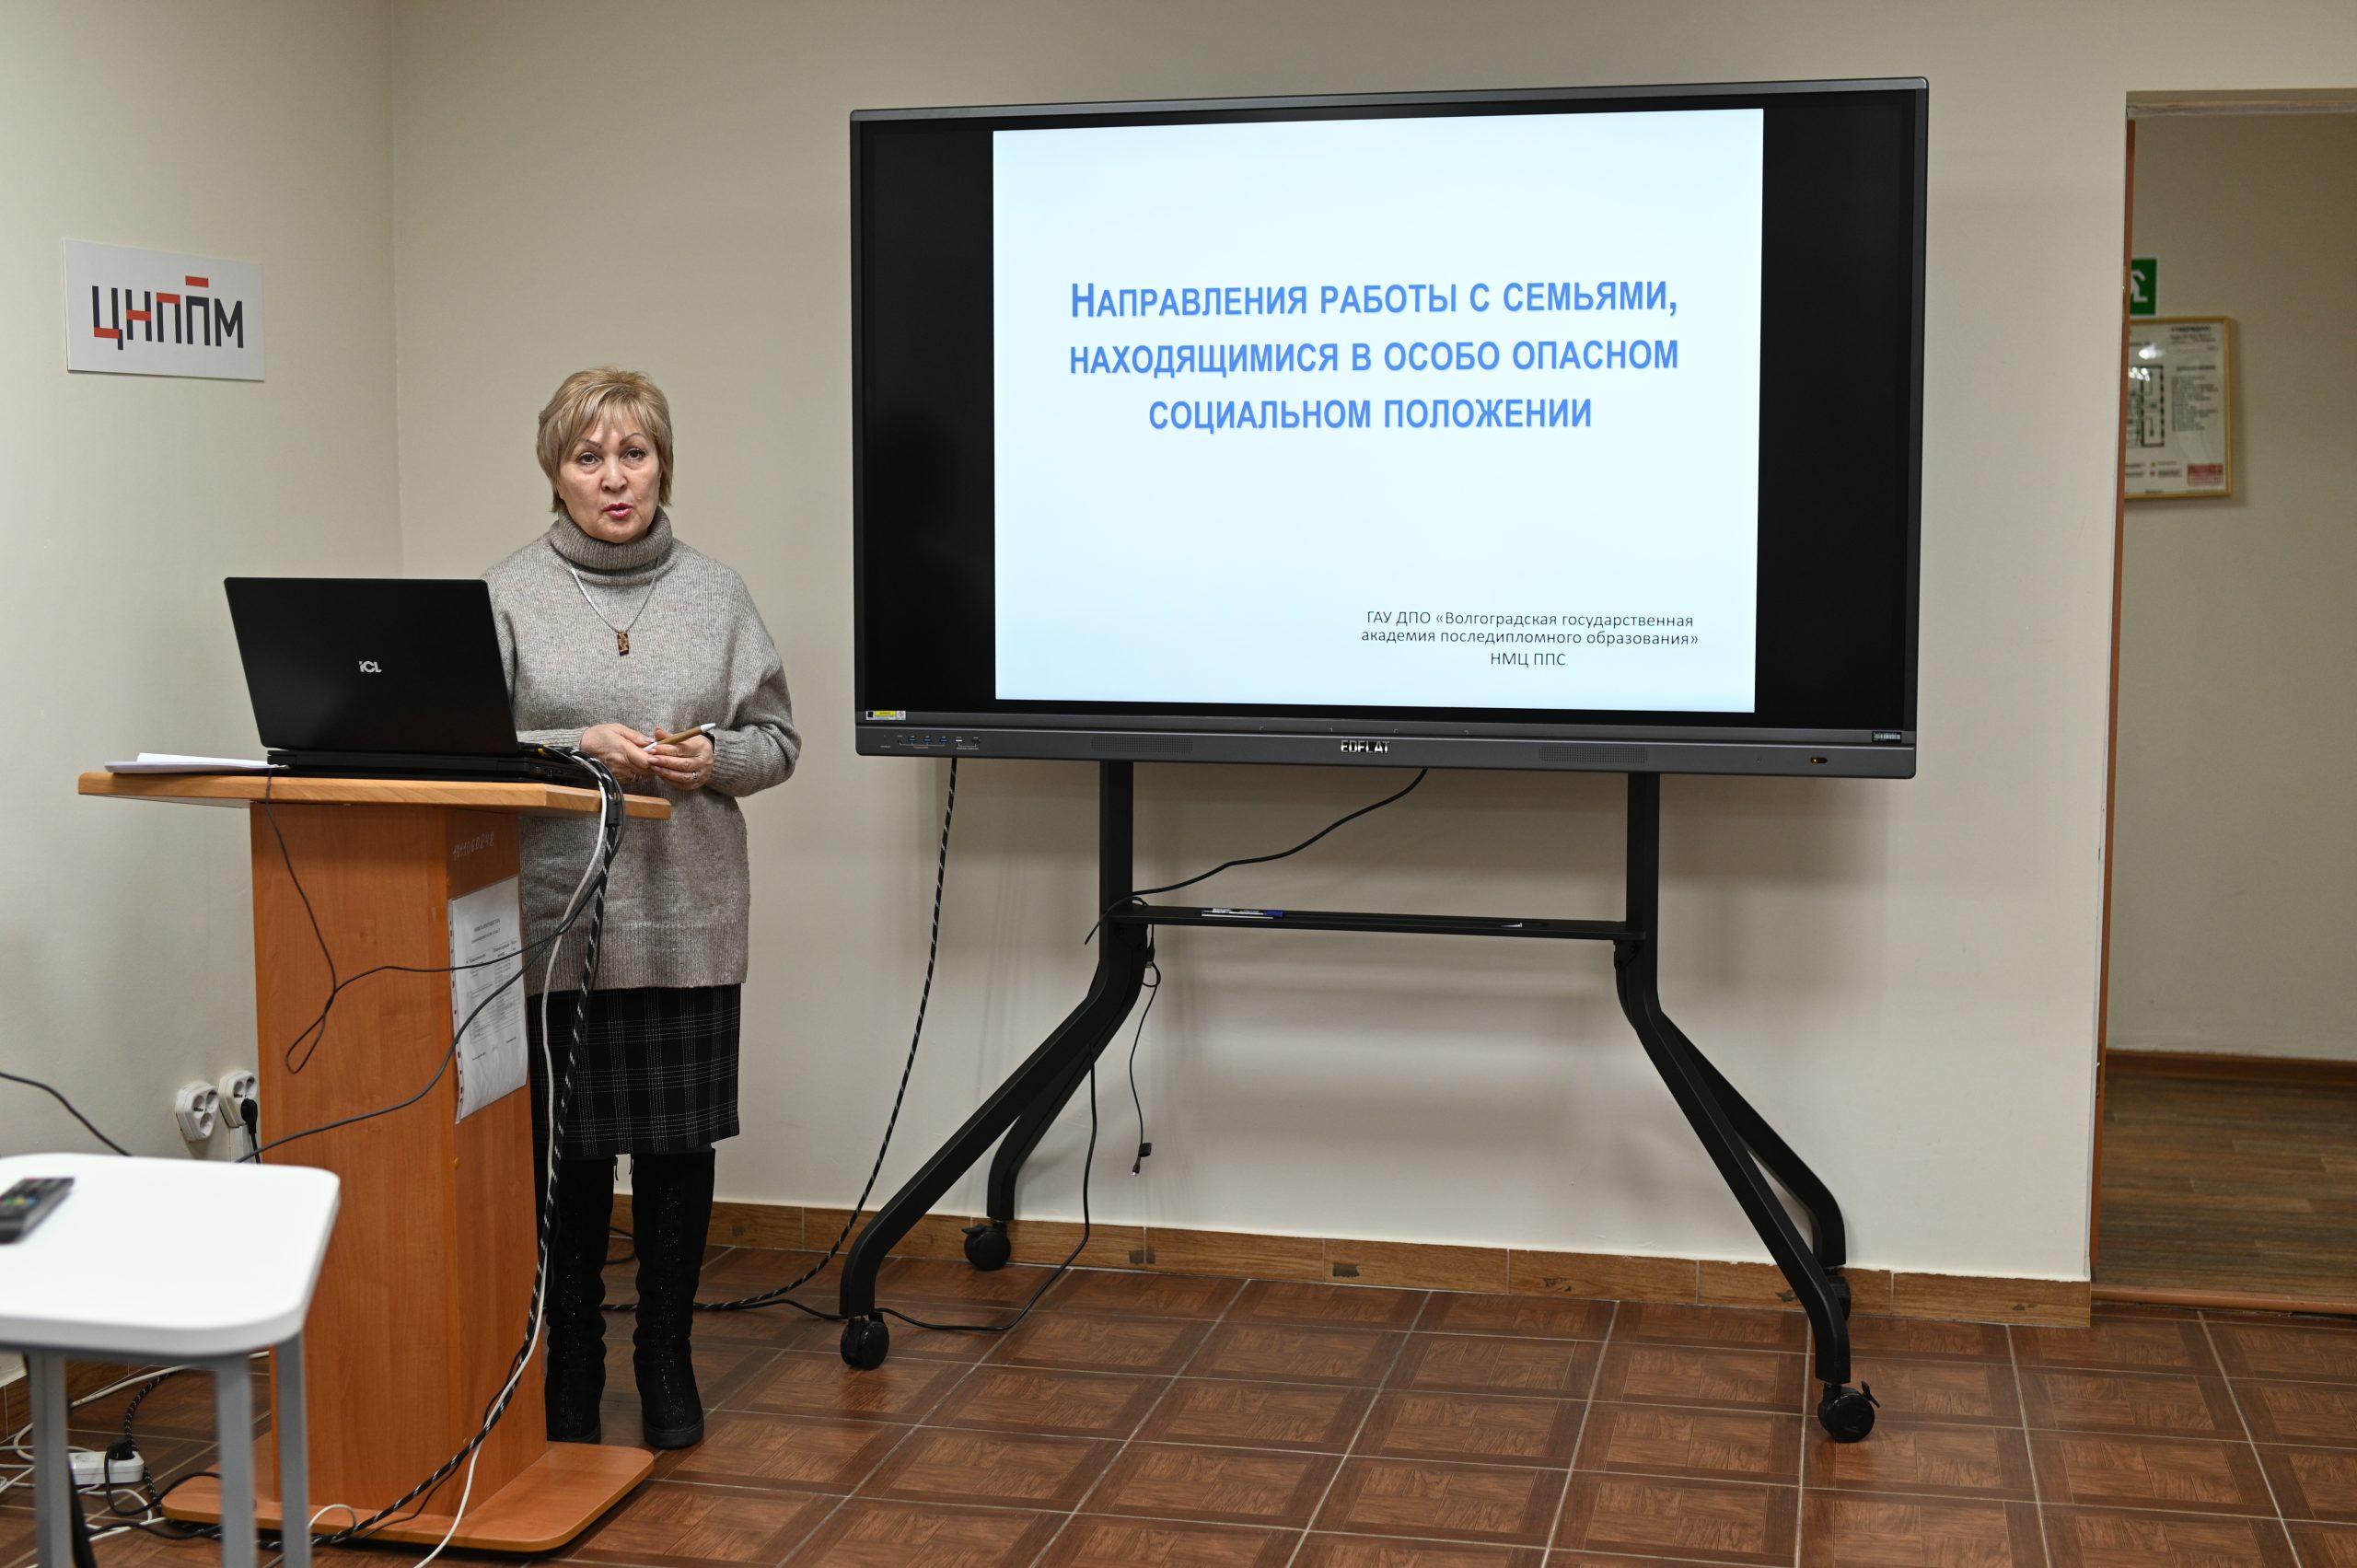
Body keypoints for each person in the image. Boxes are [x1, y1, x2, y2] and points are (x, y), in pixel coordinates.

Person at [484, 366, 799, 1449]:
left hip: (687, 918)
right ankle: (570, 1363)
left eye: (634, 453)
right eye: (589, 457)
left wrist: (713, 757)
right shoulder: (508, 593)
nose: (613, 477)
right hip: (557, 926)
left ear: (663, 465)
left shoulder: (718, 593)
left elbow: (778, 741)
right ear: (555, 472)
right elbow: (469, 748)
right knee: (567, 1163)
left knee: (675, 1153)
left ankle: (666, 1356)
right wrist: (574, 744)